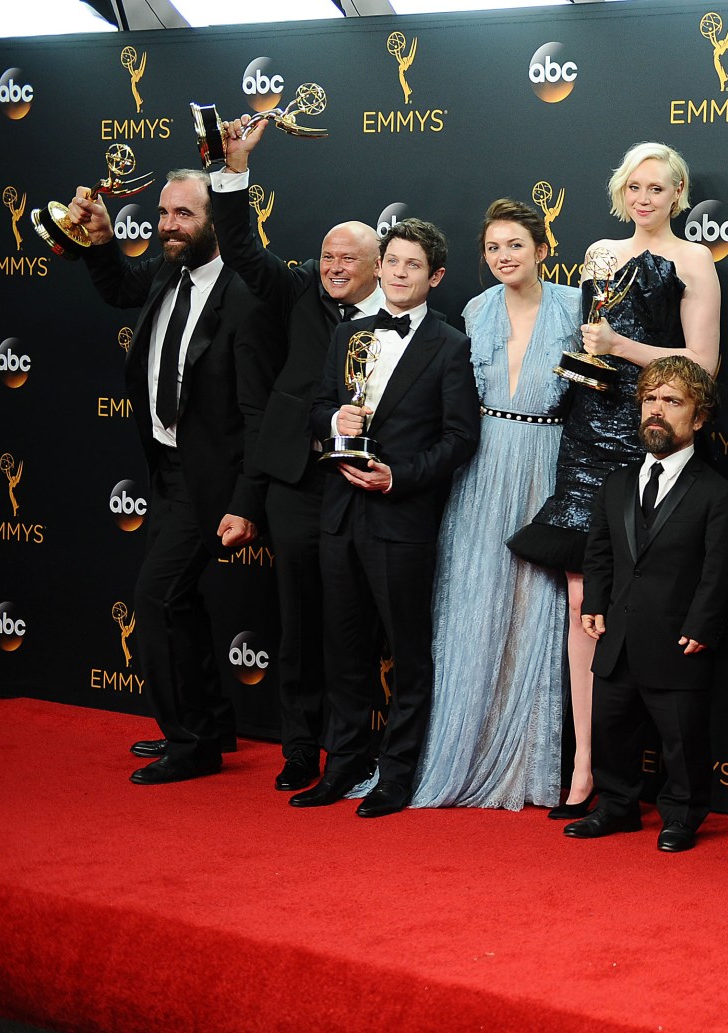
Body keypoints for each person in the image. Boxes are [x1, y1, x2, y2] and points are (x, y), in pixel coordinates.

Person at [510, 142, 720, 821]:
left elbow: (705, 363)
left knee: (648, 607)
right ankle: (584, 768)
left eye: (658, 187)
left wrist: (626, 351)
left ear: (679, 193)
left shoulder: (694, 262)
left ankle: (657, 784)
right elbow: (583, 336)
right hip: (587, 429)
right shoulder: (598, 252)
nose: (645, 197)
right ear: (620, 191)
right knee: (583, 603)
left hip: (652, 430)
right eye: (634, 186)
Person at [66, 169, 279, 784]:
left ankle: (191, 745)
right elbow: (118, 289)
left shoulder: (246, 296)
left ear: (217, 220)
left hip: (211, 483)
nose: (166, 226)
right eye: (162, 214)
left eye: (183, 215)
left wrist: (246, 501)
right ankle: (209, 724)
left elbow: (259, 414)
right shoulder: (167, 270)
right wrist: (102, 241)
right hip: (164, 467)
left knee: (157, 598)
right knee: (178, 601)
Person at [206, 115, 385, 792]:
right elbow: (244, 251)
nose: (334, 268)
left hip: (362, 486)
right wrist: (234, 170)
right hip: (296, 483)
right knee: (297, 621)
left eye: (348, 260)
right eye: (327, 257)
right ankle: (298, 748)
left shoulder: (397, 310)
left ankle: (354, 748)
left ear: (377, 266)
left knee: (353, 624)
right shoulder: (300, 291)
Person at [291, 218, 481, 818]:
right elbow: (318, 406)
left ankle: (396, 776)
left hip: (401, 520)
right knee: (343, 651)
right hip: (341, 516)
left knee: (406, 653)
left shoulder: (450, 346)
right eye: (392, 262)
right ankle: (342, 766)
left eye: (412, 266)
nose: (398, 274)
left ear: (435, 277)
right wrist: (332, 425)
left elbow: (459, 440)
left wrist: (399, 477)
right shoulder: (349, 333)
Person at [411, 200, 580, 809]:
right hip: (480, 469)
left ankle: (527, 766)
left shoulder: (576, 305)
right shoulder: (475, 310)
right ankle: (463, 747)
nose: (504, 257)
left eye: (515, 244)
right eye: (493, 248)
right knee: (473, 601)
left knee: (537, 607)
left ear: (541, 247)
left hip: (546, 460)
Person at [563, 356, 728, 852]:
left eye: (672, 401)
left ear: (699, 418)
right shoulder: (617, 484)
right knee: (612, 731)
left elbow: (719, 570)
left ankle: (682, 815)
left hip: (679, 638)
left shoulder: (718, 494)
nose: (656, 411)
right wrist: (594, 602)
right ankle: (616, 807)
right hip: (617, 636)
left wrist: (703, 624)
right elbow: (599, 552)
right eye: (649, 400)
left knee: (681, 740)